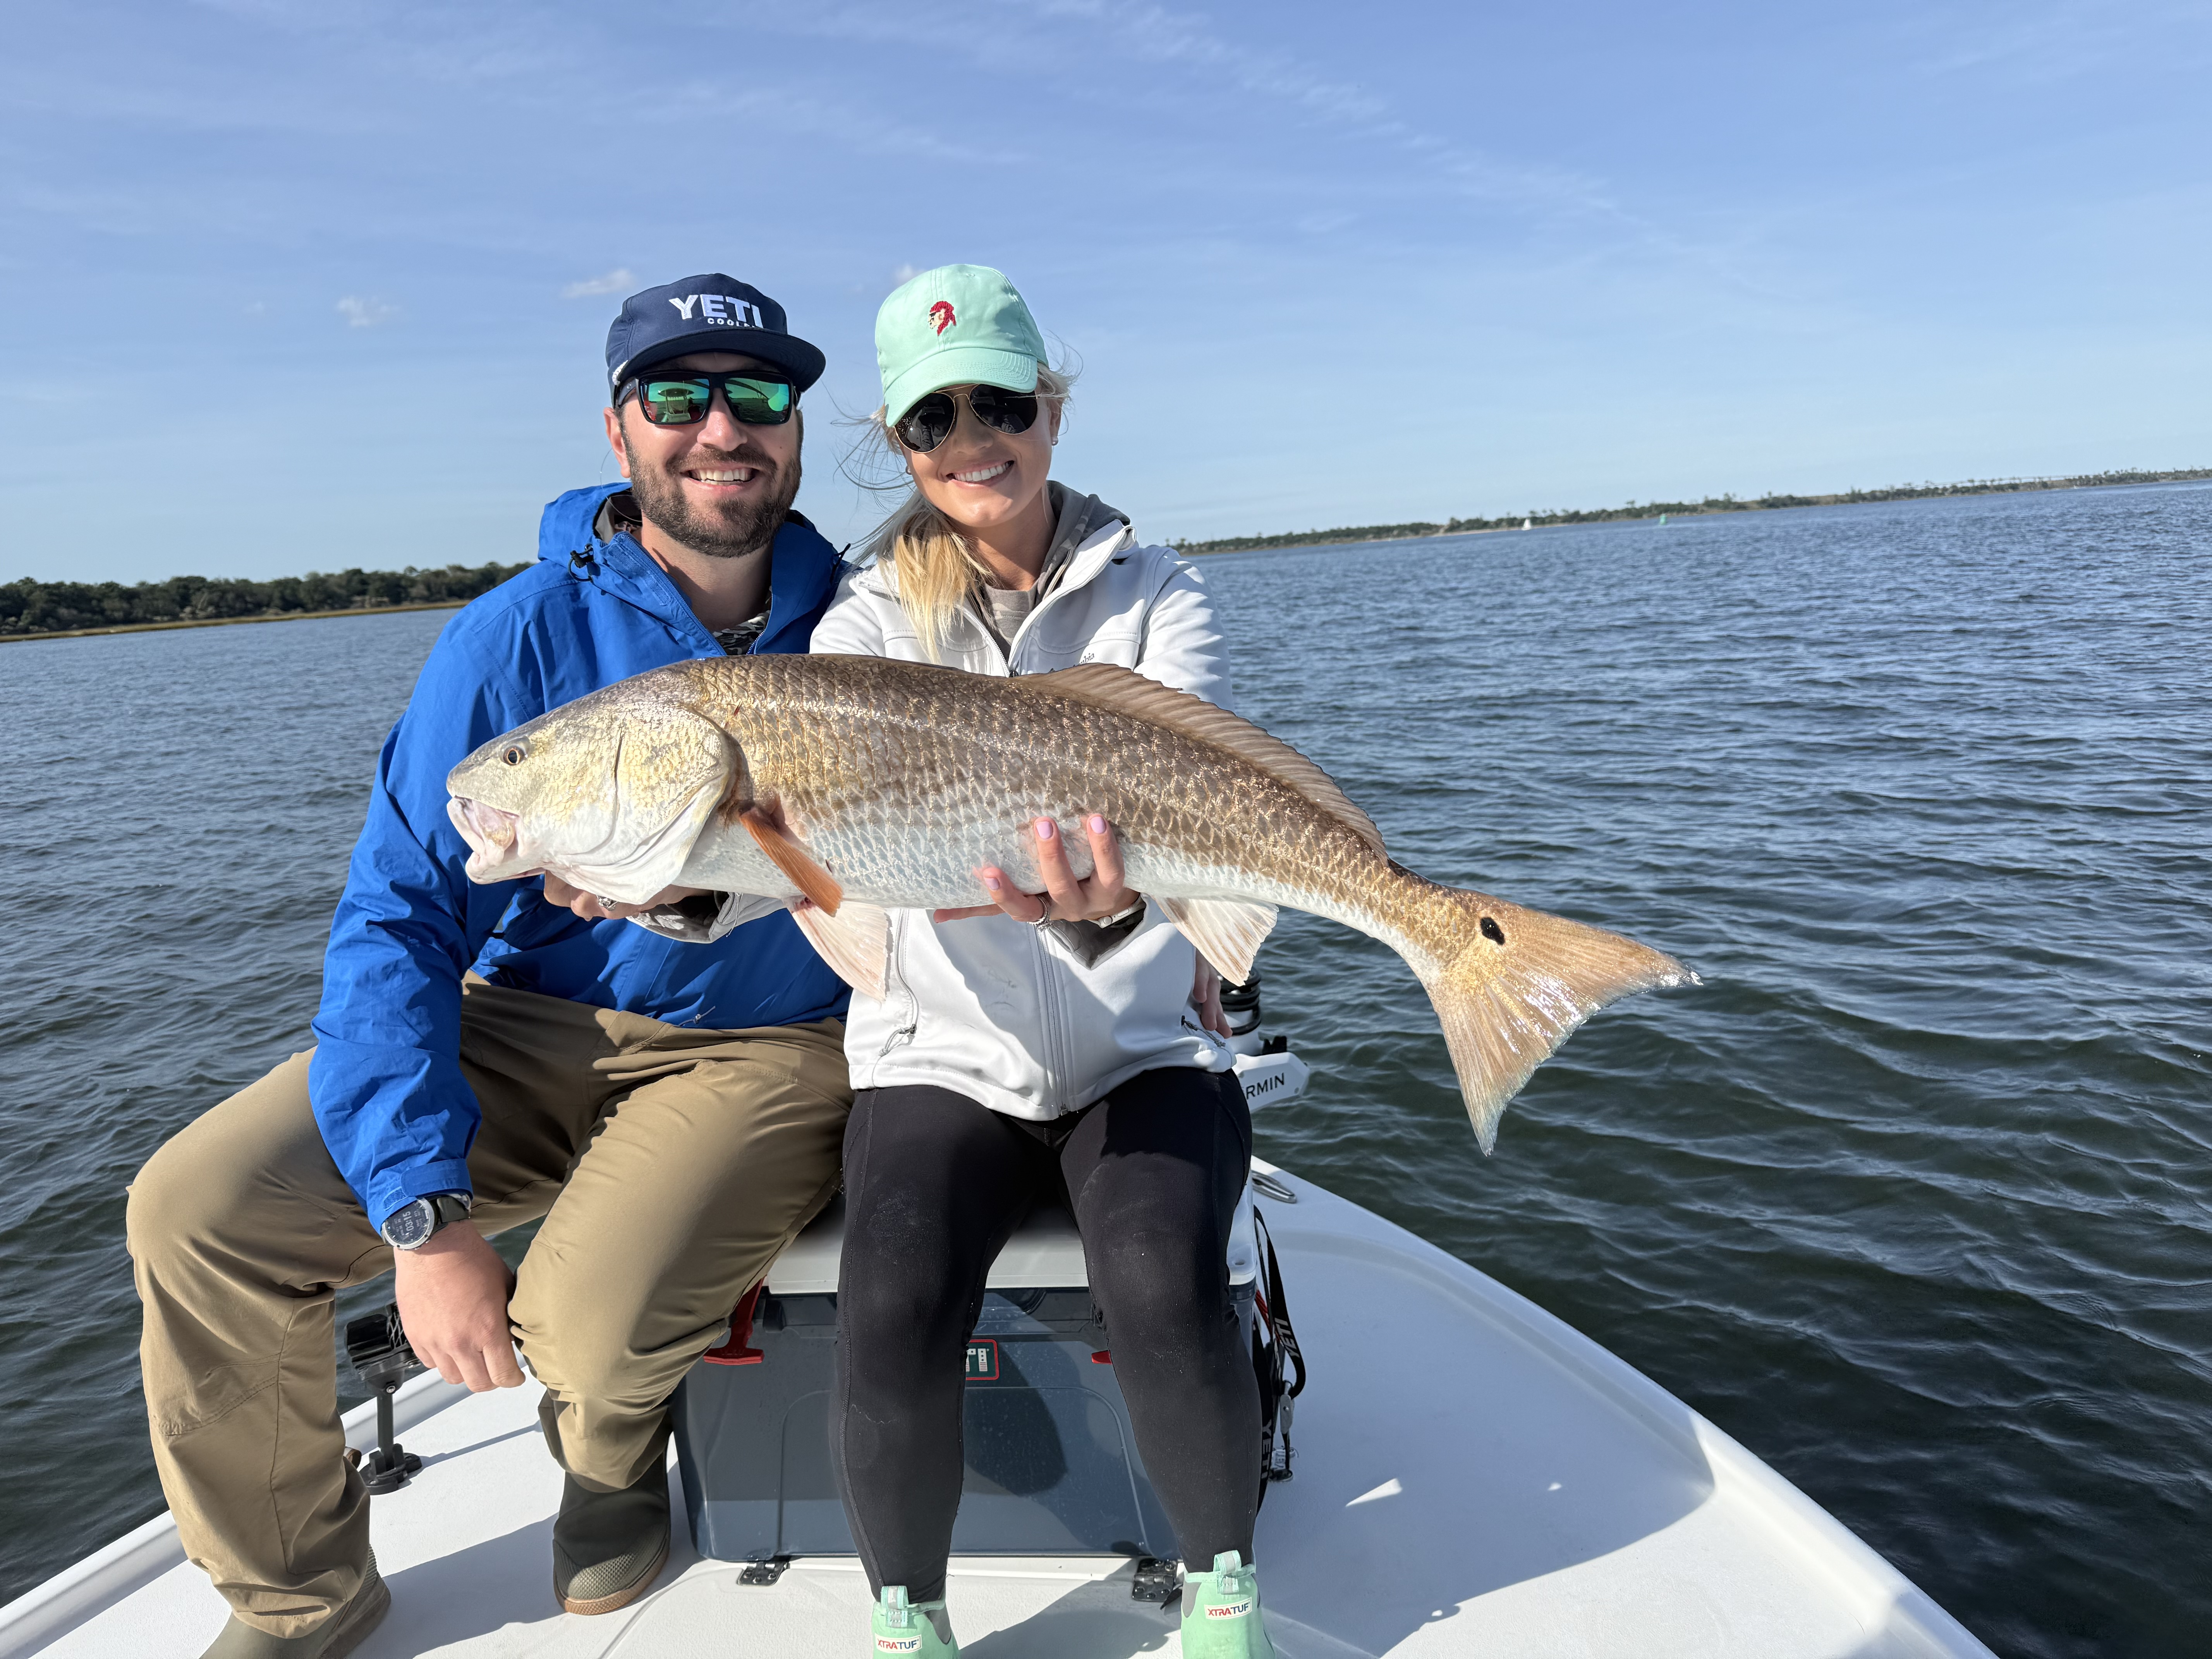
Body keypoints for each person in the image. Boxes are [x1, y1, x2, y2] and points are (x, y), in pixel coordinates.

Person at [125, 275, 856, 1659]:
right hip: (520, 1021)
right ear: (618, 427)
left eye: (758, 396)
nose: (722, 428)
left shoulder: (871, 626)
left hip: (766, 1045)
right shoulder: (509, 636)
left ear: (797, 432)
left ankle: (607, 1457)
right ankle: (298, 1597)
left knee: (583, 1323)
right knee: (196, 1209)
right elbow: (397, 914)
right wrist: (420, 1209)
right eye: (677, 395)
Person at [807, 264, 1277, 1658]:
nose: (968, 438)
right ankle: (909, 1617)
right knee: (885, 1292)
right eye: (929, 418)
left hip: (1137, 1046)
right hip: (940, 1054)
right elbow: (820, 859)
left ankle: (1225, 1593)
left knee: (1157, 1266)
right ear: (899, 445)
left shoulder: (1160, 590)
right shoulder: (865, 620)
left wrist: (1122, 917)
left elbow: (1202, 797)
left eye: (996, 401)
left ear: (1050, 409)